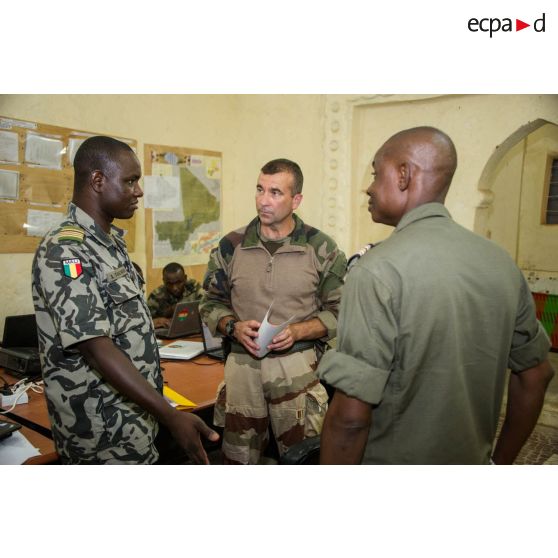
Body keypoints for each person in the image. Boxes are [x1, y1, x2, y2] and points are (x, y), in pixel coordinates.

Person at [317, 126, 555, 465]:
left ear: (403, 174)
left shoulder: (376, 270)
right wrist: (500, 464)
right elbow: (536, 375)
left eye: (374, 173)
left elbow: (351, 419)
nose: (368, 187)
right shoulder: (500, 262)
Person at [32, 136, 218, 464]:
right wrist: (171, 416)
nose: (139, 191)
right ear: (98, 181)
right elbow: (96, 346)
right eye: (130, 181)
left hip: (135, 419)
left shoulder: (110, 244)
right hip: (101, 432)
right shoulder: (66, 249)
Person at [200, 158, 347, 464]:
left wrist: (298, 331)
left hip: (297, 372)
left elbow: (341, 311)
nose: (263, 201)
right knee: (239, 461)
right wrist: (232, 327)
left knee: (301, 461)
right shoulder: (231, 246)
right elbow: (210, 302)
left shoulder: (322, 248)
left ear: (296, 200)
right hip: (242, 370)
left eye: (275, 193)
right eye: (259, 189)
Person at [147, 262, 203, 329]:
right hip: (167, 331)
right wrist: (158, 320)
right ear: (164, 281)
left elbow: (207, 310)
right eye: (169, 284)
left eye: (178, 282)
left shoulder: (195, 287)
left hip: (193, 328)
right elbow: (145, 321)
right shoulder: (156, 295)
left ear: (185, 278)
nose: (174, 288)